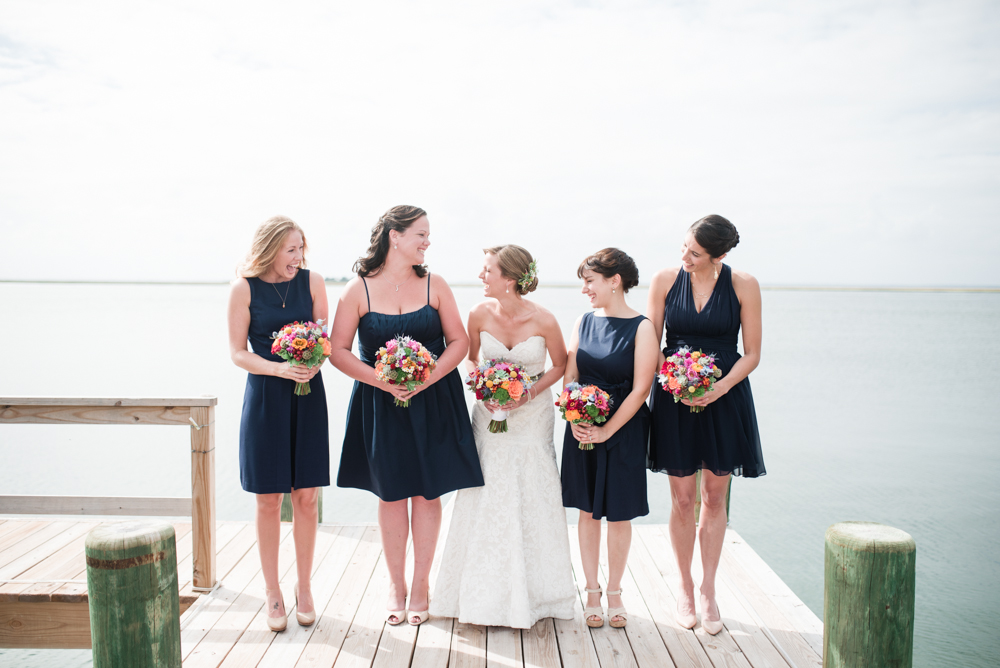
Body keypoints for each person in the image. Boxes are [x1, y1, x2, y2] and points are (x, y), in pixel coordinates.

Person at [330, 205, 484, 627]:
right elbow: (337, 351)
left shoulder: (436, 284)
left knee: (428, 493)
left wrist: (426, 377)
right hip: (380, 404)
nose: (427, 242)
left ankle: (421, 584)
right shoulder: (356, 289)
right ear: (394, 236)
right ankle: (395, 584)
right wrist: (382, 382)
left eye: (427, 235)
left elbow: (459, 341)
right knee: (391, 493)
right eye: (421, 234)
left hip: (435, 401)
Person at [431, 245, 577, 629]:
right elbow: (473, 360)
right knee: (486, 493)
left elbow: (559, 365)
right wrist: (488, 391)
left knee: (533, 492)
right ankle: (477, 593)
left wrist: (526, 392)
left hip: (532, 419)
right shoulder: (478, 314)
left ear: (510, 279)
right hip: (490, 417)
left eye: (487, 270)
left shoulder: (544, 319)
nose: (481, 276)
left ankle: (539, 594)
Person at [646, 214, 764, 635]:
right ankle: (684, 589)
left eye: (694, 253)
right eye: (684, 248)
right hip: (674, 395)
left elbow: (751, 353)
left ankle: (710, 591)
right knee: (681, 499)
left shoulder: (743, 284)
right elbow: (652, 342)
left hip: (725, 397)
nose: (685, 257)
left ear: (720, 254)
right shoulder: (664, 280)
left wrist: (719, 388)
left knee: (715, 498)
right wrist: (672, 380)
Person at [227, 215, 329, 632]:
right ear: (270, 248)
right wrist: (279, 368)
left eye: (301, 249)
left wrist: (310, 362)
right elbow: (237, 353)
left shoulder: (314, 282)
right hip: (267, 398)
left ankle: (304, 587)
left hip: (308, 396)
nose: (298, 257)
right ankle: (272, 591)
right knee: (268, 499)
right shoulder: (243, 289)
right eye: (291, 249)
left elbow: (324, 340)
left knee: (306, 497)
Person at [561, 248, 658, 629]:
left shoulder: (643, 327)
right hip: (582, 424)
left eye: (590, 281)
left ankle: (615, 592)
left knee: (618, 513)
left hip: (625, 429)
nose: (585, 289)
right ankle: (590, 591)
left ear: (614, 281)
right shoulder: (583, 321)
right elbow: (571, 377)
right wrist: (574, 417)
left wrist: (606, 429)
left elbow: (640, 390)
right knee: (587, 510)